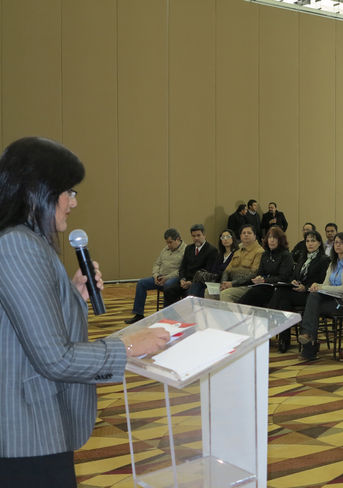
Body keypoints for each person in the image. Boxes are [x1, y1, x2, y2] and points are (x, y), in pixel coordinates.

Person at [0, 137, 170, 486]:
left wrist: (74, 294)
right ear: (39, 190)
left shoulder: (28, 240)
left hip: (36, 428)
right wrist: (127, 346)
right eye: (69, 191)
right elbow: (54, 358)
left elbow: (25, 329)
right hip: (26, 432)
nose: (74, 202)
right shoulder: (17, 243)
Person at [297, 232, 343, 360]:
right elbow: (326, 285)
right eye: (336, 242)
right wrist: (317, 286)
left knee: (313, 305)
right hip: (332, 300)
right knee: (314, 296)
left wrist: (322, 287)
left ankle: (309, 343)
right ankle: (309, 343)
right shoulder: (333, 264)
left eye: (342, 243)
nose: (338, 245)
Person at [267, 230, 330, 352]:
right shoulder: (303, 258)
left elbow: (322, 281)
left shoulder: (324, 260)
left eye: (313, 241)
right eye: (307, 241)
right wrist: (293, 281)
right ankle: (284, 340)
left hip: (311, 295)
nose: (310, 243)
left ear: (319, 243)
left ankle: (269, 322)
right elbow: (294, 275)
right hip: (297, 292)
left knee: (281, 293)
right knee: (284, 302)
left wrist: (305, 287)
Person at [124, 228, 186, 324]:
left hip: (173, 279)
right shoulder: (165, 249)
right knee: (141, 283)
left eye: (170, 242)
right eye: (167, 243)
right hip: (160, 277)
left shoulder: (186, 250)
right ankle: (138, 315)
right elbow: (157, 264)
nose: (168, 245)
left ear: (178, 239)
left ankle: (167, 317)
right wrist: (156, 276)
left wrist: (167, 277)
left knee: (168, 285)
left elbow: (182, 270)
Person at [163, 224, 218, 307]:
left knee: (190, 293)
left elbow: (208, 272)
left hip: (199, 282)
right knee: (169, 289)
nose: (196, 238)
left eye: (198, 235)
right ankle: (172, 314)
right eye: (193, 236)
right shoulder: (189, 248)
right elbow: (182, 267)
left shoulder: (212, 250)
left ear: (204, 235)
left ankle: (189, 313)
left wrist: (191, 282)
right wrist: (182, 279)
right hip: (185, 280)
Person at [238, 227, 294, 307]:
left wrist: (264, 280)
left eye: (275, 238)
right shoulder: (265, 254)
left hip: (278, 288)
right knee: (249, 296)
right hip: (264, 286)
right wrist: (259, 278)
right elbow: (260, 272)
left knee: (255, 294)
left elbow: (283, 277)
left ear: (280, 240)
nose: (272, 240)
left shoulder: (286, 255)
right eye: (270, 237)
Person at [219, 224, 265, 303]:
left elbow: (253, 274)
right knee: (209, 292)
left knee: (225, 294)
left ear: (255, 236)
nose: (246, 235)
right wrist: (223, 283)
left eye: (249, 233)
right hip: (231, 285)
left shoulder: (259, 252)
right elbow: (227, 271)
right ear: (240, 236)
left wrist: (232, 284)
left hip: (246, 286)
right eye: (244, 233)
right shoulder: (237, 252)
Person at [188, 229, 239, 298]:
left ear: (233, 238)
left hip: (225, 282)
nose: (225, 239)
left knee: (204, 290)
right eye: (223, 237)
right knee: (197, 284)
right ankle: (192, 302)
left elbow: (230, 272)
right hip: (215, 281)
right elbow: (213, 270)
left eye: (228, 237)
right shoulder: (220, 255)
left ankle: (193, 302)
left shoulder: (236, 254)